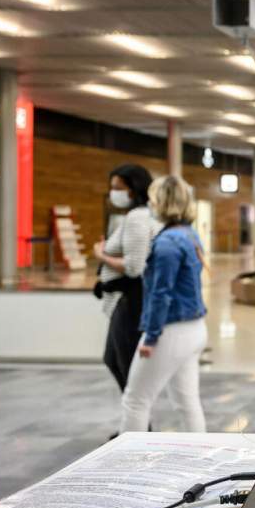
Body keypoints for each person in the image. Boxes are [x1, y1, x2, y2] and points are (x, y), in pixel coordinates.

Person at [119, 176, 208, 433]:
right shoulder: (188, 234)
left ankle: (130, 461)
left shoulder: (168, 242)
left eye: (153, 198)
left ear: (163, 202)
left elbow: (161, 293)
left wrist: (151, 337)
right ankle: (200, 456)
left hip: (170, 331)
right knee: (187, 402)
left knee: (135, 400)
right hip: (194, 328)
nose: (150, 204)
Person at [93, 164, 160, 396]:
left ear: (133, 189)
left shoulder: (137, 218)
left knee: (124, 364)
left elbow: (135, 266)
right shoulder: (140, 216)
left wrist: (101, 255)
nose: (113, 193)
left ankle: (138, 423)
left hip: (130, 302)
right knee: (115, 360)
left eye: (117, 187)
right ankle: (134, 421)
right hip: (126, 301)